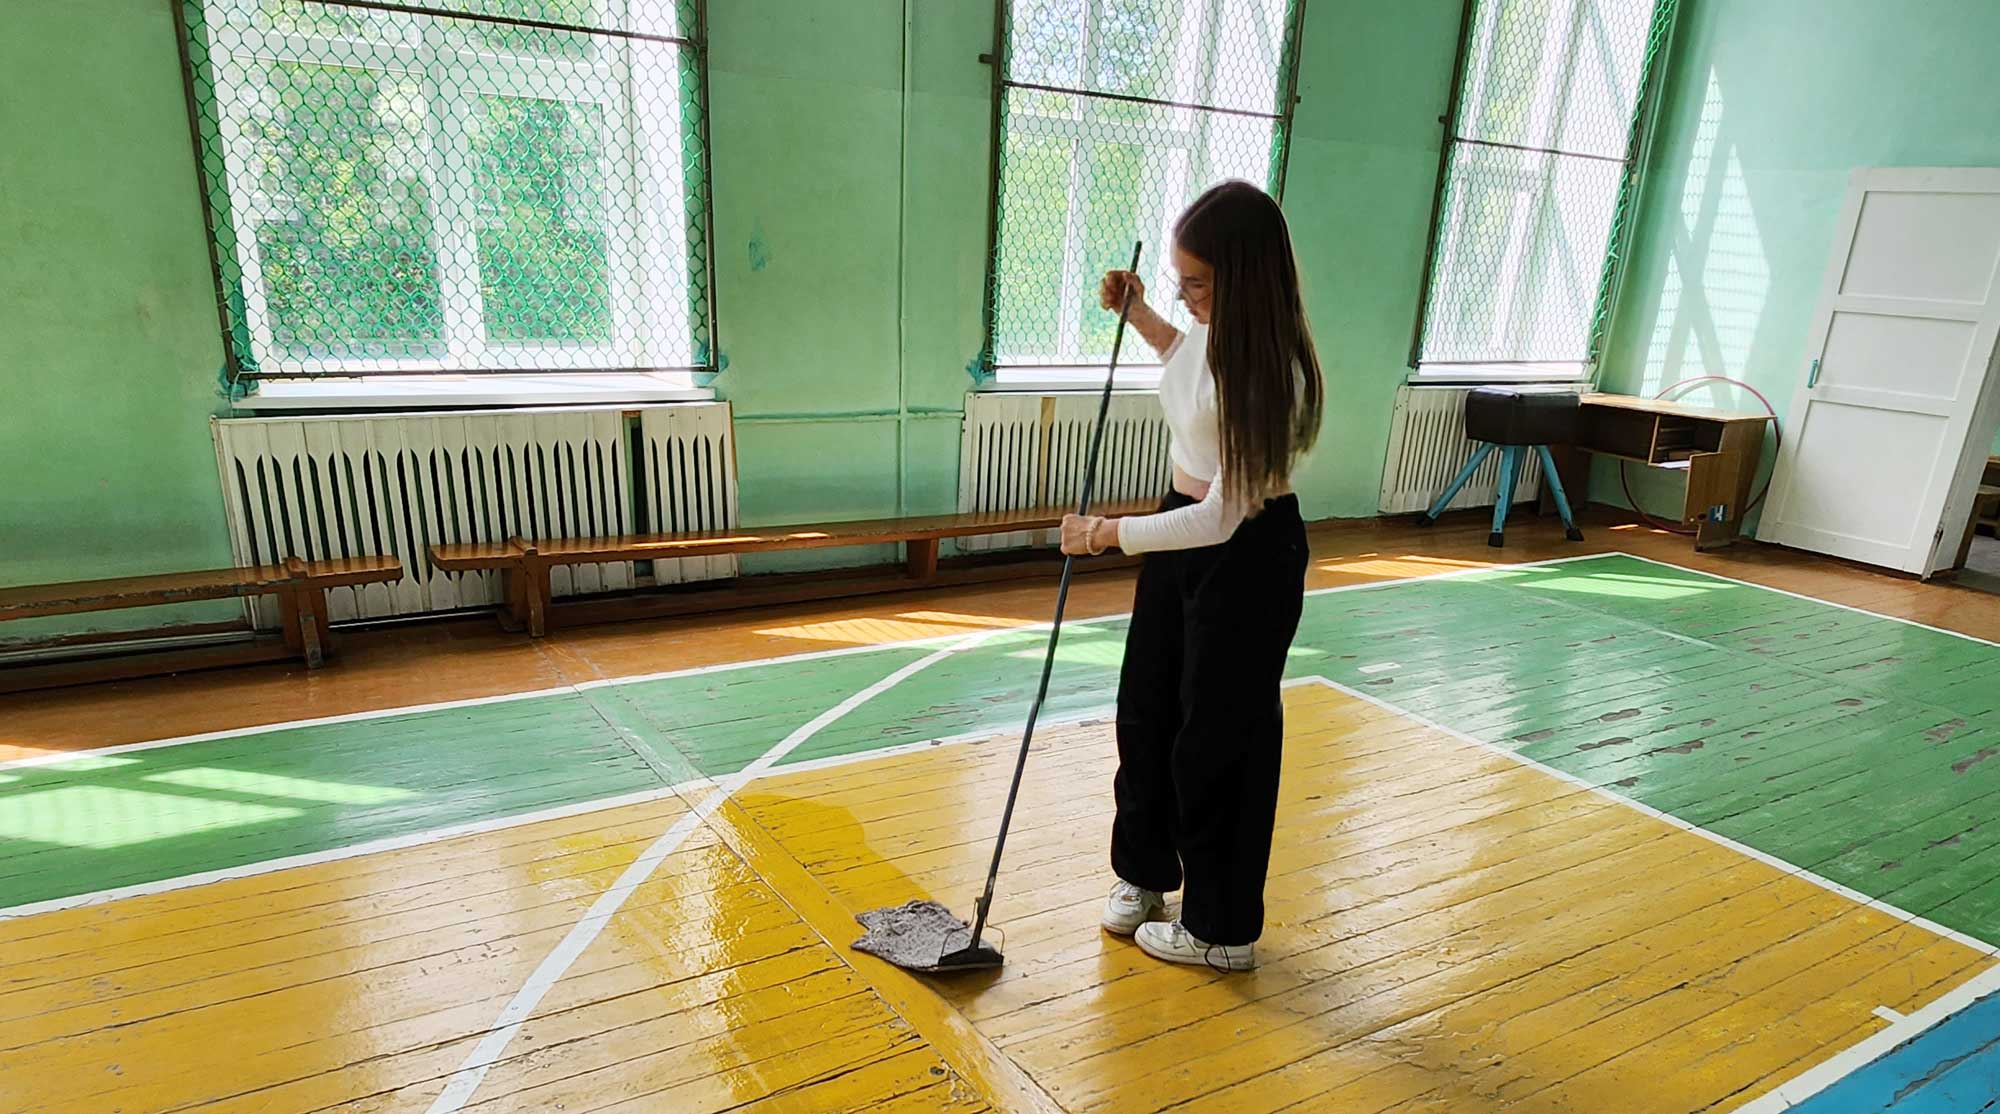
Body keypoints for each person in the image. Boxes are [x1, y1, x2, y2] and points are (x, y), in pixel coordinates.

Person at [1059, 180, 1324, 972]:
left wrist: (1106, 535)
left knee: (1220, 742)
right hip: (1181, 531)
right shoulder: (1216, 331)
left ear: (1245, 276)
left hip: (1243, 557)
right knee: (1147, 711)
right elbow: (1187, 360)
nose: (1188, 297)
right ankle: (1143, 875)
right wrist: (1142, 315)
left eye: (1198, 284)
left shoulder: (1272, 371)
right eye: (1180, 281)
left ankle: (1220, 929)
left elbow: (1220, 520)